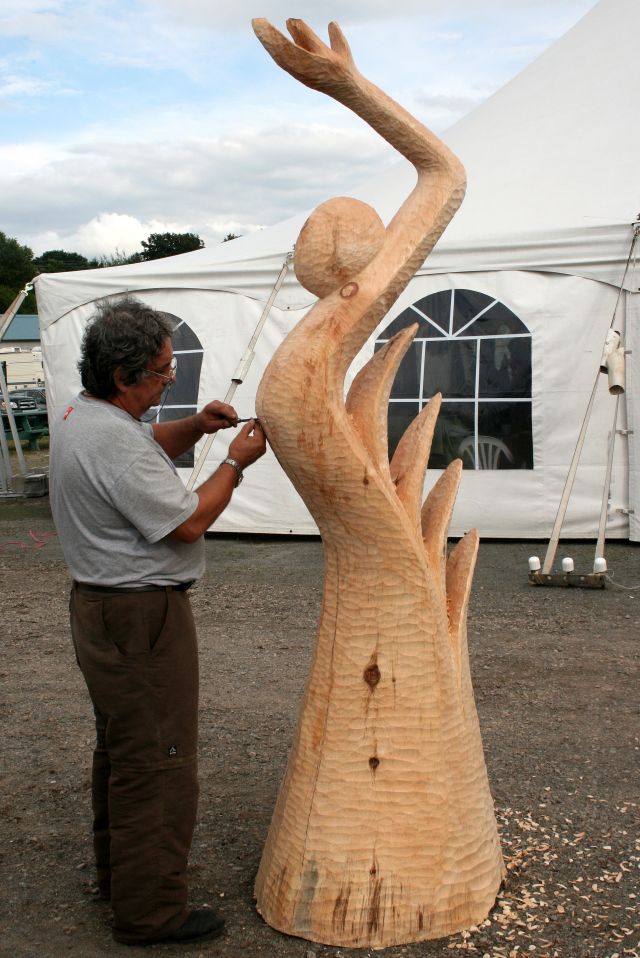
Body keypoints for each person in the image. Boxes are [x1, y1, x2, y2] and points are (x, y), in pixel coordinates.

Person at [48, 296, 266, 946]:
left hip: (103, 606)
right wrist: (234, 463)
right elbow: (189, 521)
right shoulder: (114, 441)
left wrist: (197, 427)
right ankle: (150, 914)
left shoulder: (83, 414)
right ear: (123, 377)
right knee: (160, 760)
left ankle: (123, 879)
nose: (172, 377)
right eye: (162, 369)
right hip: (140, 616)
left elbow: (144, 445)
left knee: (124, 749)